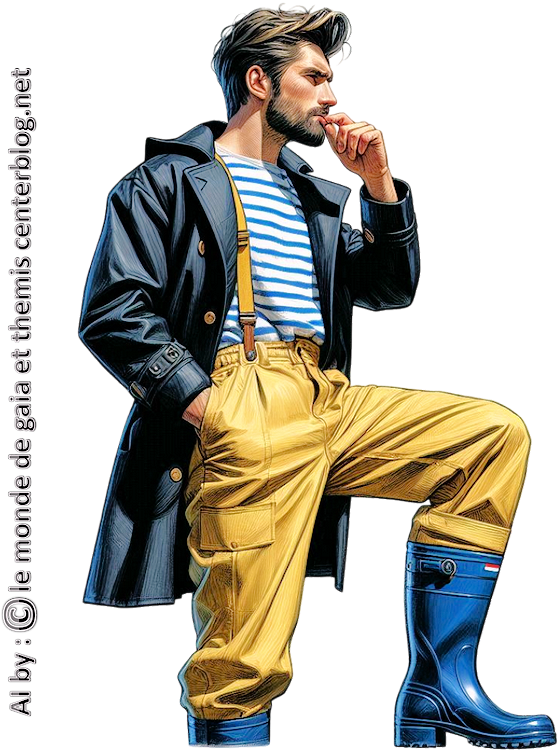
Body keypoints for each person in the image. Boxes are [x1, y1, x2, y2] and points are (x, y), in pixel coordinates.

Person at [79, 5, 556, 749]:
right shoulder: (168, 180)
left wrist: (379, 184)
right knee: (245, 653)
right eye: (315, 77)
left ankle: (439, 690)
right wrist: (206, 405)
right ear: (259, 82)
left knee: (489, 437)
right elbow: (114, 311)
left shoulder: (315, 194)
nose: (332, 96)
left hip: (324, 392)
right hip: (240, 396)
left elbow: (390, 288)